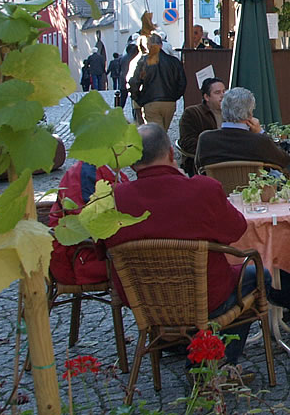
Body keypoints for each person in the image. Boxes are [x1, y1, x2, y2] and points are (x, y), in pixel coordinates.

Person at [106, 124, 264, 365]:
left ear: (132, 162)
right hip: (206, 297)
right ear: (171, 153)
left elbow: (102, 248)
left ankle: (184, 345)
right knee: (259, 275)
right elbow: (236, 230)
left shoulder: (114, 199)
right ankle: (219, 360)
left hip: (145, 300)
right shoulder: (202, 189)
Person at [47, 161, 125, 285]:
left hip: (97, 252)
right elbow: (91, 225)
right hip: (81, 258)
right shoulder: (87, 173)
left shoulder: (107, 170)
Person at [195, 87, 290, 170]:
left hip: (216, 189)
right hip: (253, 189)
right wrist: (261, 132)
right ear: (250, 114)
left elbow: (199, 167)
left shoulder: (205, 138)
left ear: (223, 110)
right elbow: (284, 160)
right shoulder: (260, 141)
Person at [128, 32, 187, 131]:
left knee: (156, 134)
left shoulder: (143, 61)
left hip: (150, 101)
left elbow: (134, 82)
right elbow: (182, 82)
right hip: (169, 102)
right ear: (161, 45)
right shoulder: (173, 61)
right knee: (163, 131)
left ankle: (161, 146)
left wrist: (138, 98)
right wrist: (175, 96)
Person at [178, 77, 226, 175]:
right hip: (203, 166)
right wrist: (217, 150)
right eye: (217, 93)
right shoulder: (192, 113)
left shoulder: (232, 113)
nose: (223, 96)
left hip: (229, 163)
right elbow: (187, 143)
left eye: (224, 91)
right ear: (206, 97)